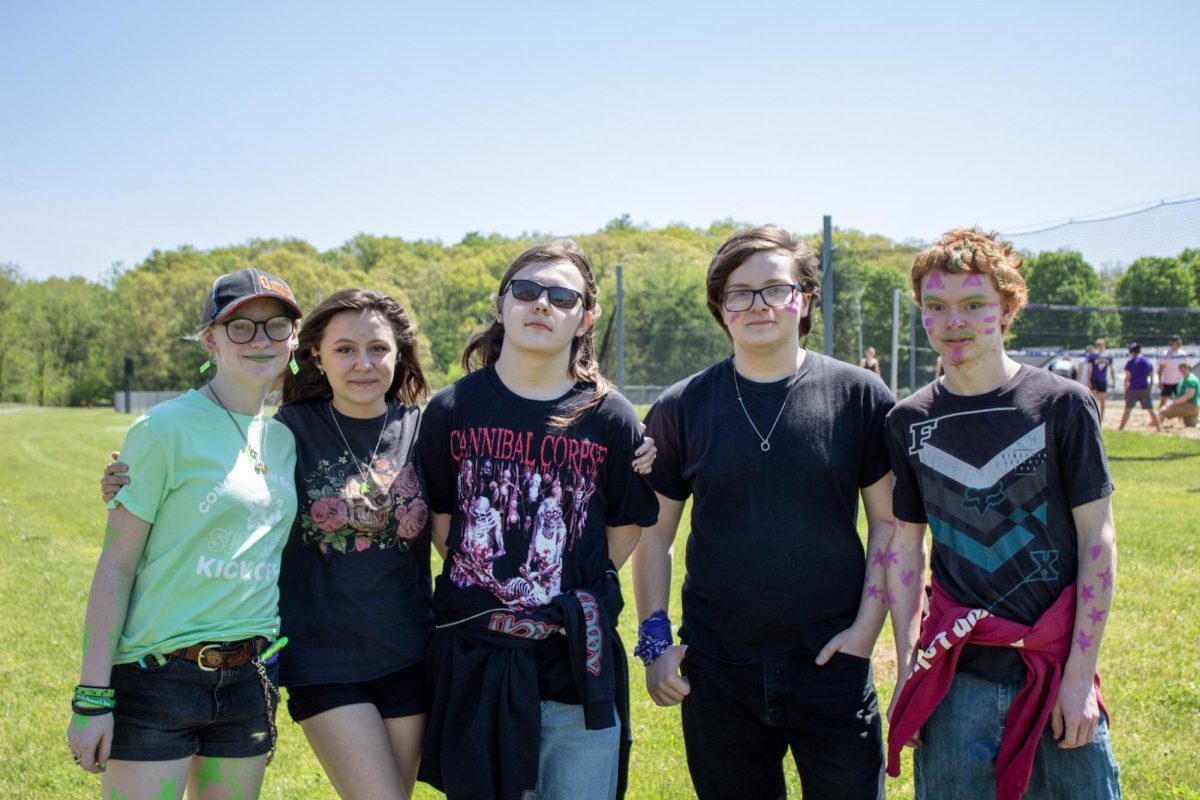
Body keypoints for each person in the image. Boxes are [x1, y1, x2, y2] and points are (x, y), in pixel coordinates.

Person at [103, 288, 435, 798]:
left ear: (400, 353)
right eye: (345, 349)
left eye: (378, 348)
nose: (363, 363)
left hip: (411, 653)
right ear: (316, 356)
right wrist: (127, 476)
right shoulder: (287, 433)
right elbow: (223, 478)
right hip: (324, 661)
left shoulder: (425, 430)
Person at [632, 225, 896, 800]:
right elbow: (654, 537)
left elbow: (889, 526)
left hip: (832, 661)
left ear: (804, 299)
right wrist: (655, 643)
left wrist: (864, 633)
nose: (757, 304)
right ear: (720, 308)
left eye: (775, 288)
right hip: (719, 668)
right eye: (738, 292)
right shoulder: (680, 407)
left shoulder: (861, 396)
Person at [415, 239, 659, 800]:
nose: (541, 304)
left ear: (584, 319)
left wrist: (565, 586)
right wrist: (497, 583)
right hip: (478, 663)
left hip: (573, 664)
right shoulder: (452, 409)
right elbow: (443, 521)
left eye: (561, 295)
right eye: (525, 291)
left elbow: (625, 526)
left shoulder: (610, 415)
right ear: (502, 307)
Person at [884, 228, 1120, 799]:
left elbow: (1098, 540)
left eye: (974, 305)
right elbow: (906, 550)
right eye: (935, 307)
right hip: (955, 677)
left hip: (1052, 671)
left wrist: (1081, 677)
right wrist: (908, 666)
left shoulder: (1061, 404)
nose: (954, 322)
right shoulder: (907, 420)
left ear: (1008, 309)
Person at [71, 269, 303, 798]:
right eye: (240, 326)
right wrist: (92, 698)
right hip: (159, 677)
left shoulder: (286, 440)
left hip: (249, 680)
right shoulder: (162, 429)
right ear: (211, 339)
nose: (261, 339)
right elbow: (115, 567)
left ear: (294, 338)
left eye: (276, 325)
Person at [1119, 342, 1161, 432]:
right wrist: (1149, 388)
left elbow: (1127, 378)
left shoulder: (1130, 362)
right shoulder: (1146, 361)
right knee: (1151, 410)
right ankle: (1159, 429)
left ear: (1131, 351)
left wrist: (1125, 391)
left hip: (1133, 388)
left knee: (1127, 410)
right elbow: (1151, 376)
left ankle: (1120, 429)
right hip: (1144, 388)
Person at [1161, 361, 1199, 427]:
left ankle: (1154, 426)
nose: (1183, 370)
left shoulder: (1190, 379)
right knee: (1190, 425)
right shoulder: (1185, 379)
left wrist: (1175, 403)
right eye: (1181, 368)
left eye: (1185, 368)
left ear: (1189, 369)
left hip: (1190, 405)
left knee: (1163, 410)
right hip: (1192, 406)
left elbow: (1189, 395)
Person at [1157, 334, 1190, 409]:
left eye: (1179, 343)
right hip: (1167, 381)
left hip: (1179, 382)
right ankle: (1160, 417)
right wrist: (1160, 381)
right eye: (1176, 343)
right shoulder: (1165, 354)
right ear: (1172, 343)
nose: (1178, 344)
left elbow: (1186, 368)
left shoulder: (1183, 354)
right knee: (1163, 401)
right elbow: (1160, 369)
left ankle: (1183, 418)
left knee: (1182, 401)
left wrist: (1186, 380)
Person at [1087, 338, 1114, 421]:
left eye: (1102, 345)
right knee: (1093, 399)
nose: (1101, 347)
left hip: (1103, 380)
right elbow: (1090, 369)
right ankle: (1093, 415)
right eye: (1099, 346)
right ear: (1097, 346)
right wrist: (1088, 380)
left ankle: (1101, 417)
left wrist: (1113, 380)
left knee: (1102, 400)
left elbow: (1112, 369)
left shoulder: (1108, 356)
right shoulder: (1093, 356)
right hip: (1094, 379)